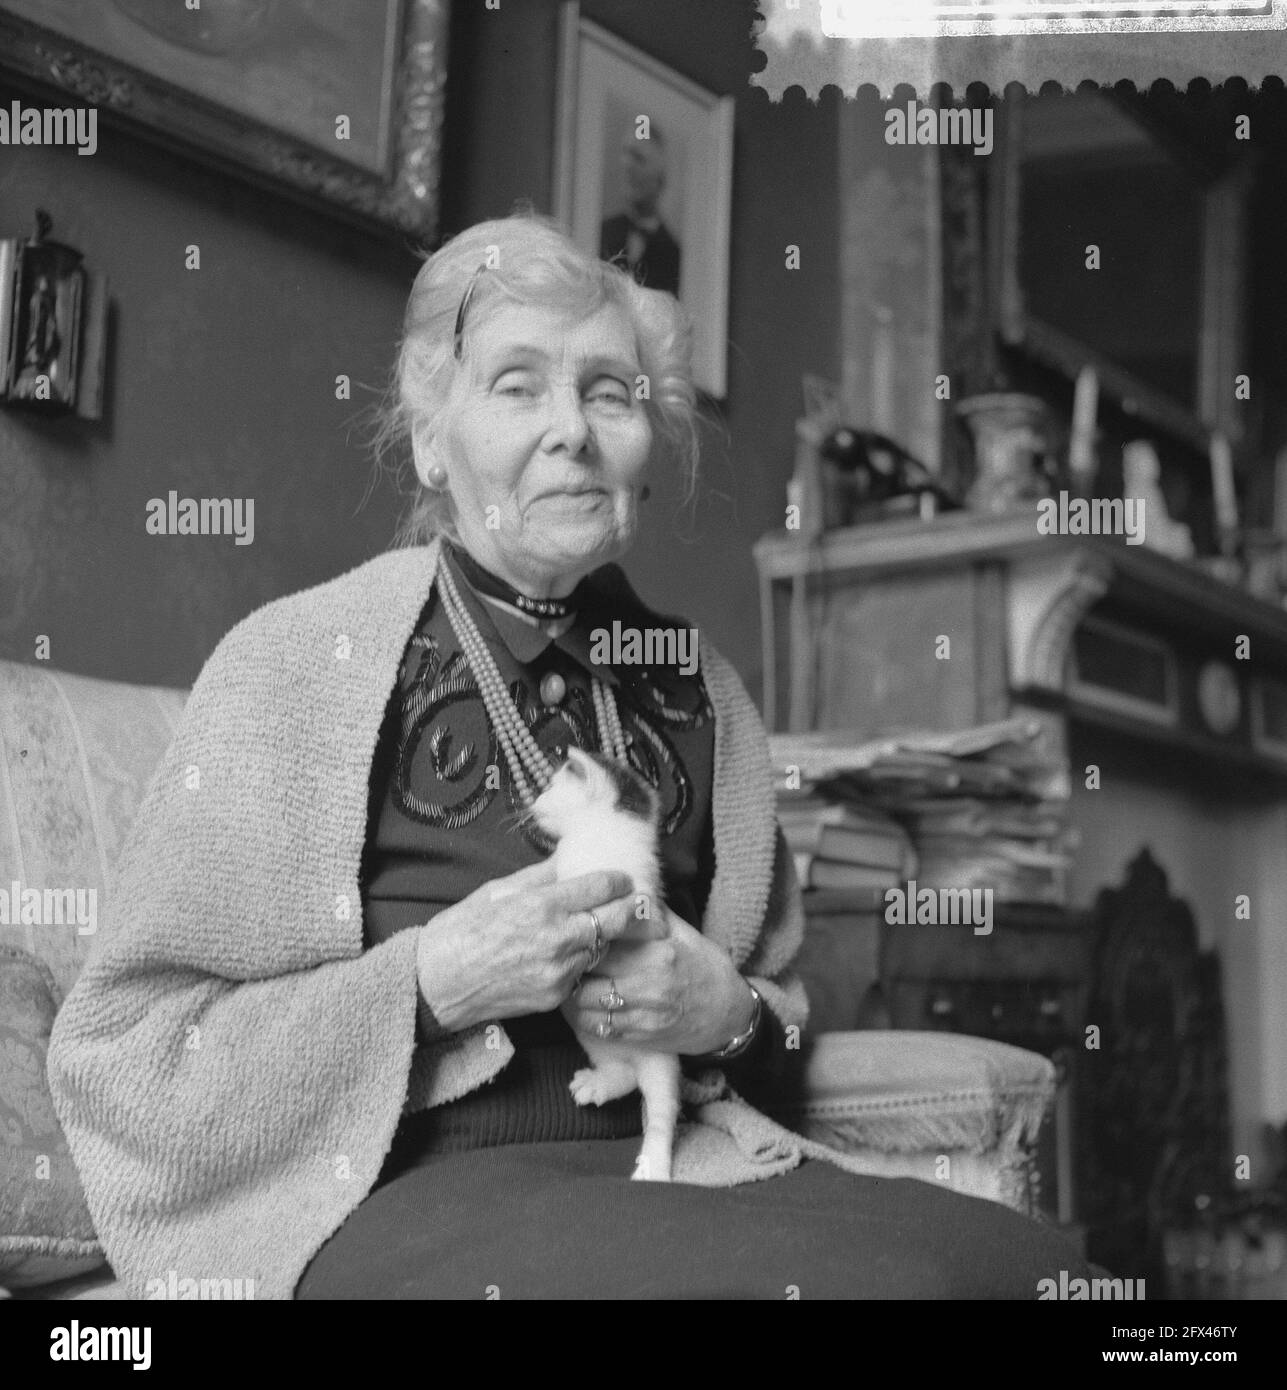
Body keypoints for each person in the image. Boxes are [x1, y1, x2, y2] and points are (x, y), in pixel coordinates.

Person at [48, 212, 1104, 1299]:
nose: (573, 432)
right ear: (428, 437)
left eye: (609, 392)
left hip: (675, 1169)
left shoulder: (705, 695)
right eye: (518, 384)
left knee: (1040, 1276)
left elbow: (781, 1026)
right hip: (389, 1197)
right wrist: (429, 983)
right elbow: (131, 1058)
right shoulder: (288, 669)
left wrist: (727, 1015)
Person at [599, 126, 681, 295]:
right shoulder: (603, 232)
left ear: (660, 178)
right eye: (626, 155)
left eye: (639, 158)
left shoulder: (674, 255)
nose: (627, 166)